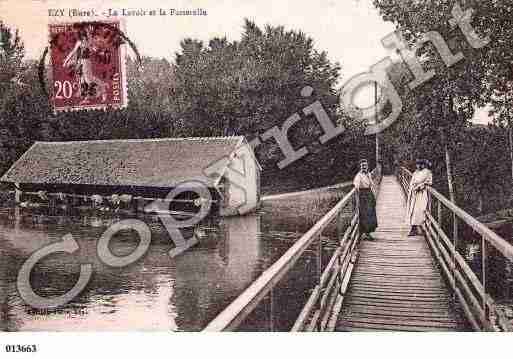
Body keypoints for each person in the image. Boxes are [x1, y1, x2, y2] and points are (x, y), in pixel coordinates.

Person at [63, 25, 108, 103]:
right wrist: (66, 61)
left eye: (88, 33)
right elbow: (73, 52)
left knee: (88, 80)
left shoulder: (86, 41)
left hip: (85, 62)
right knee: (83, 80)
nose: (88, 34)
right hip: (81, 62)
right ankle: (86, 98)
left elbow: (93, 49)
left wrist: (100, 52)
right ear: (83, 35)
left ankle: (103, 87)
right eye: (87, 33)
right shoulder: (81, 42)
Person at [406, 159, 433, 236]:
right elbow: (412, 181)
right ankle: (413, 228)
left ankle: (422, 228)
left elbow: (429, 182)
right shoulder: (415, 172)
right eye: (417, 164)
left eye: (419, 164)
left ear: (423, 165)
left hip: (422, 194)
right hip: (414, 193)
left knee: (421, 210)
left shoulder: (427, 172)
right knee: (413, 210)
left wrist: (421, 186)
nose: (418, 166)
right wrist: (413, 188)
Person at [353, 159, 378, 240]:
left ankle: (368, 232)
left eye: (365, 166)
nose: (364, 167)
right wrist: (357, 200)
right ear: (360, 167)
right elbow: (356, 187)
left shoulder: (369, 174)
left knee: (371, 213)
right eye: (362, 166)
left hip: (369, 194)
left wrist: (374, 194)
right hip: (363, 195)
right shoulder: (358, 176)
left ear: (367, 166)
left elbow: (372, 184)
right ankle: (363, 233)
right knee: (364, 214)